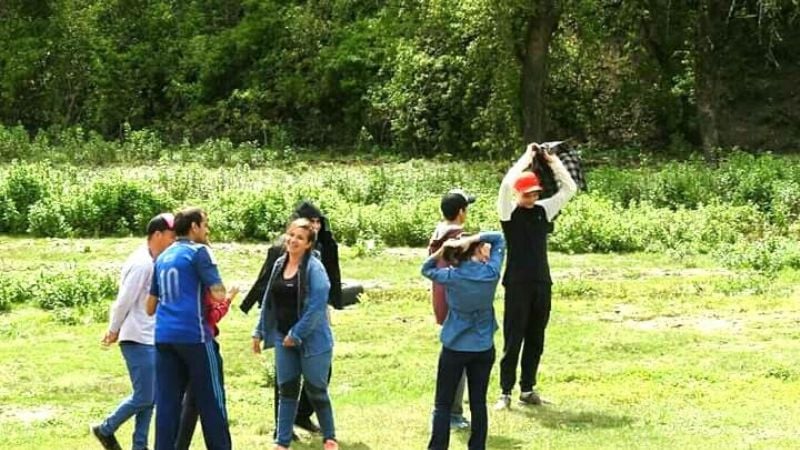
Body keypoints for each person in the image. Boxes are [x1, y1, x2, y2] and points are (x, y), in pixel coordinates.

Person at [241, 201, 342, 437]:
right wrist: (260, 328)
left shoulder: (319, 254)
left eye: (317, 222)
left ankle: (315, 426)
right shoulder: (280, 254)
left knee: (318, 384)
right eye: (310, 221)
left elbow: (322, 294)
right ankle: (282, 433)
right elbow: (267, 289)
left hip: (312, 330)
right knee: (286, 385)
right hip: (283, 329)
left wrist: (327, 309)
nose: (315, 225)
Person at [495, 143, 577, 410]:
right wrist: (526, 158)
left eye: (534, 193)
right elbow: (505, 186)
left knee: (536, 338)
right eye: (527, 194)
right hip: (517, 283)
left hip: (542, 282)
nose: (531, 198)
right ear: (519, 194)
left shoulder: (543, 210)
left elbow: (569, 189)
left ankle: (527, 389)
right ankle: (505, 392)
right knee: (513, 339)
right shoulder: (508, 213)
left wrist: (552, 161)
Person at [146, 207, 232, 450]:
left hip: (164, 336)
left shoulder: (162, 256)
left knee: (167, 404)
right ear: (194, 227)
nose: (207, 230)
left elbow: (149, 307)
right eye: (205, 224)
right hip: (194, 335)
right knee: (212, 401)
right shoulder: (199, 252)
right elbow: (218, 293)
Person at [91, 213, 176, 450]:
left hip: (148, 336)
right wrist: (113, 329)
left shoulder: (153, 260)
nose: (174, 241)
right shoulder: (142, 264)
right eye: (171, 236)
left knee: (151, 395)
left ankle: (140, 445)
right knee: (145, 396)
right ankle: (105, 428)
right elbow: (124, 300)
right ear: (157, 235)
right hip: (137, 337)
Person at [422, 231, 505, 450]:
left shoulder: (452, 275)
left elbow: (426, 269)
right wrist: (473, 238)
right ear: (477, 249)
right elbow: (499, 238)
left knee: (443, 403)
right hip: (483, 345)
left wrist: (442, 250)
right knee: (478, 402)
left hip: (455, 345)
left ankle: (438, 447)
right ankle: (477, 446)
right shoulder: (491, 272)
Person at [427, 189, 476, 430]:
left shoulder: (439, 233)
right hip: (457, 304)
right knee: (459, 360)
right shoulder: (459, 238)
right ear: (461, 212)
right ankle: (452, 413)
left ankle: (448, 411)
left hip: (441, 301)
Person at [175, 285, 239, 450]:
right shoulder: (200, 283)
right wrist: (228, 300)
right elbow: (212, 316)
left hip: (181, 343)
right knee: (214, 400)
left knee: (192, 401)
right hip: (203, 344)